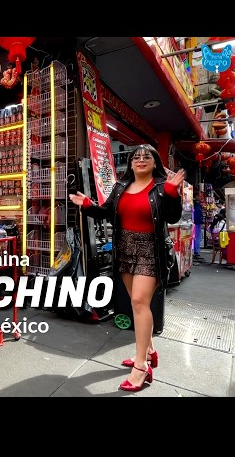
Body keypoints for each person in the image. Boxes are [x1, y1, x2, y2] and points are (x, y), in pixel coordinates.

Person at [69, 144, 183, 392]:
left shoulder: (162, 188)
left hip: (150, 251)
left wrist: (174, 194)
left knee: (141, 303)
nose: (141, 159)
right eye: (136, 157)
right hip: (124, 249)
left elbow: (173, 218)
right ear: (130, 163)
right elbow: (106, 212)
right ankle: (149, 350)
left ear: (155, 163)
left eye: (147, 156)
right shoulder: (121, 187)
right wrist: (87, 204)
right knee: (135, 303)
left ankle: (141, 366)